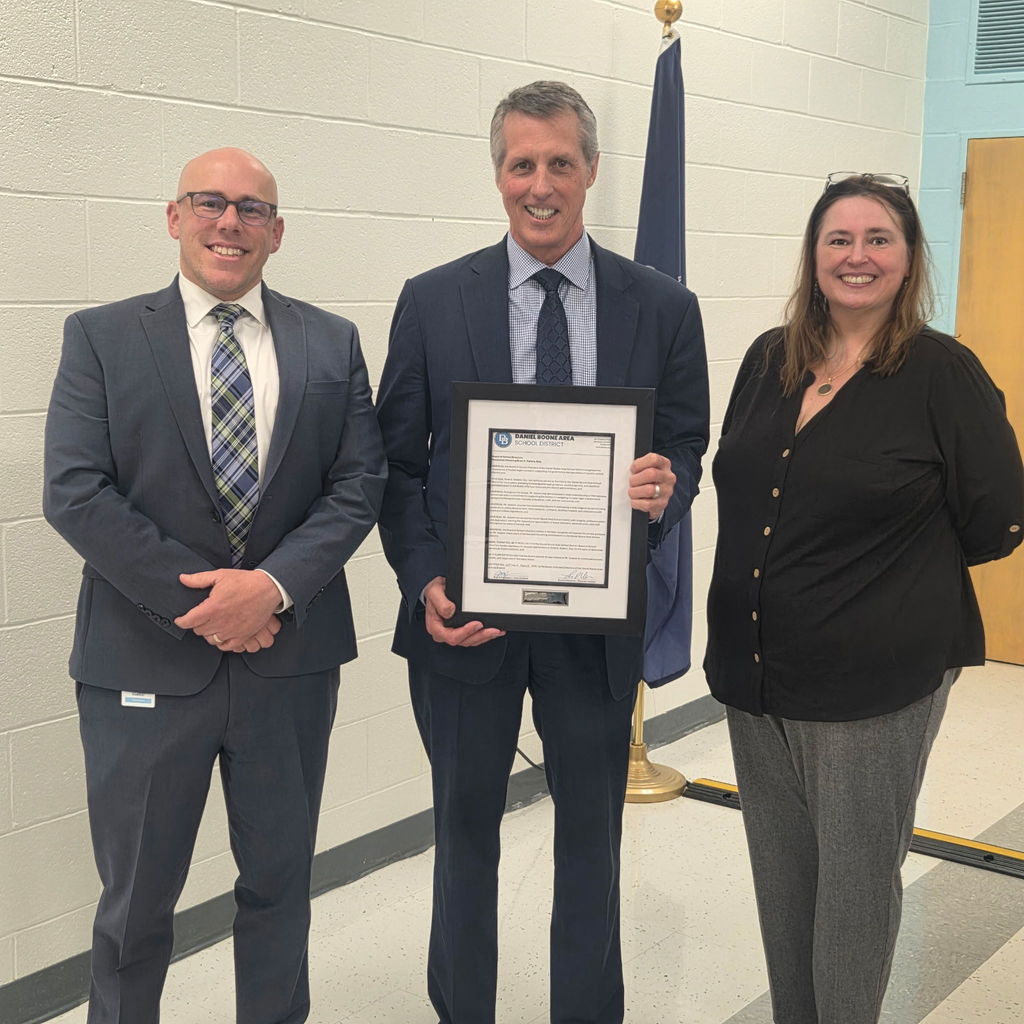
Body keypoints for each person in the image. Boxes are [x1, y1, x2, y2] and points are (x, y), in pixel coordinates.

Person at [375, 81, 709, 1024]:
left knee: (592, 846)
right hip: (464, 623)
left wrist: (663, 487)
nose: (541, 183)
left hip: (593, 629)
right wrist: (426, 580)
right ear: (497, 175)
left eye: (561, 162)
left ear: (592, 171)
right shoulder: (435, 301)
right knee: (463, 839)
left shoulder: (663, 307)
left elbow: (687, 443)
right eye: (522, 163)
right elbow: (396, 463)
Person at [43, 147, 386, 1024]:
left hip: (290, 664)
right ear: (174, 217)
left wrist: (269, 588)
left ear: (278, 233)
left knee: (279, 890)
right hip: (143, 665)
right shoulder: (103, 337)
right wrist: (210, 603)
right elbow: (75, 490)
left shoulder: (330, 341)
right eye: (209, 203)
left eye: (251, 209)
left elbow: (359, 484)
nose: (229, 222)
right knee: (135, 909)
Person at [705, 172, 1023, 1024]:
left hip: (872, 685)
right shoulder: (769, 359)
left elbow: (996, 517)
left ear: (909, 258)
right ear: (813, 257)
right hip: (755, 672)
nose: (857, 256)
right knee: (784, 883)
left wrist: (888, 578)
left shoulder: (941, 373)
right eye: (838, 239)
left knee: (851, 889)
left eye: (878, 239)